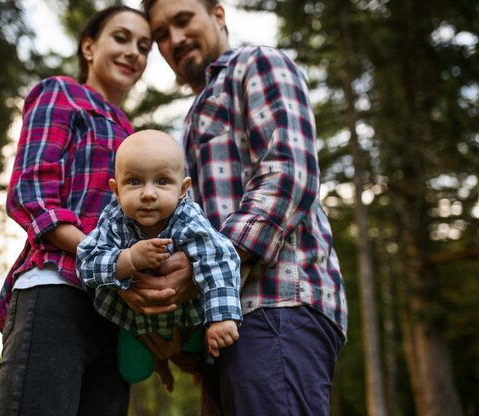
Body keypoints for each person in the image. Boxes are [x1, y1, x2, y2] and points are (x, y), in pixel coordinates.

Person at [133, 0, 350, 414]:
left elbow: (289, 172)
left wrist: (202, 271)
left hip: (276, 305)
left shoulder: (257, 63)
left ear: (218, 15)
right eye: (161, 33)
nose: (174, 39)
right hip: (225, 327)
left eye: (183, 21)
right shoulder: (193, 116)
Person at [0, 6, 152, 416]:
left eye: (144, 46)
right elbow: (31, 195)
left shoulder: (134, 136)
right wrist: (106, 259)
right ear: (88, 47)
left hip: (115, 312)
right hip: (56, 291)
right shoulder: (61, 93)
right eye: (121, 38)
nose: (133, 52)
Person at [76, 129, 242, 386]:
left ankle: (192, 364)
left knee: (211, 356)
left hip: (189, 319)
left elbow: (219, 258)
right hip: (135, 321)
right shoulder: (114, 220)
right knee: (133, 372)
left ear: (183, 189)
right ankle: (158, 364)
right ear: (116, 189)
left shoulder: (188, 218)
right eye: (134, 182)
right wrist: (128, 260)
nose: (148, 194)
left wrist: (222, 317)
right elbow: (86, 262)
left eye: (162, 181)